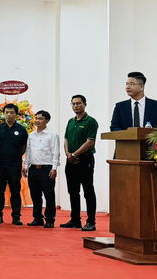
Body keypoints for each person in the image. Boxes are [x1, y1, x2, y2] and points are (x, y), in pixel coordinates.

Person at [62, 95, 98, 232]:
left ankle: (91, 221)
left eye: (79, 103)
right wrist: (68, 154)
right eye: (73, 103)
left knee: (88, 191)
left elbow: (90, 142)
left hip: (85, 159)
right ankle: (75, 219)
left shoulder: (91, 121)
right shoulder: (70, 121)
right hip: (70, 159)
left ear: (85, 104)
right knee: (73, 191)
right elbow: (66, 138)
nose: (76, 106)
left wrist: (75, 154)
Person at [22, 110, 60, 228]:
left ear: (47, 121)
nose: (37, 121)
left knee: (49, 195)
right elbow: (28, 151)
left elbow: (55, 153)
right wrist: (26, 166)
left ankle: (50, 219)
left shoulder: (52, 135)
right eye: (36, 118)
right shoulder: (31, 135)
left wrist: (54, 168)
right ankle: (37, 218)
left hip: (46, 168)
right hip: (33, 169)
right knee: (35, 194)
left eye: (40, 118)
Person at [0, 103, 28, 226]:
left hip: (15, 165)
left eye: (12, 112)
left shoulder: (21, 130)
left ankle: (16, 216)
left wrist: (16, 156)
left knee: (15, 191)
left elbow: (24, 147)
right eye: (7, 112)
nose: (9, 115)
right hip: (0, 165)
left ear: (16, 114)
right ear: (3, 114)